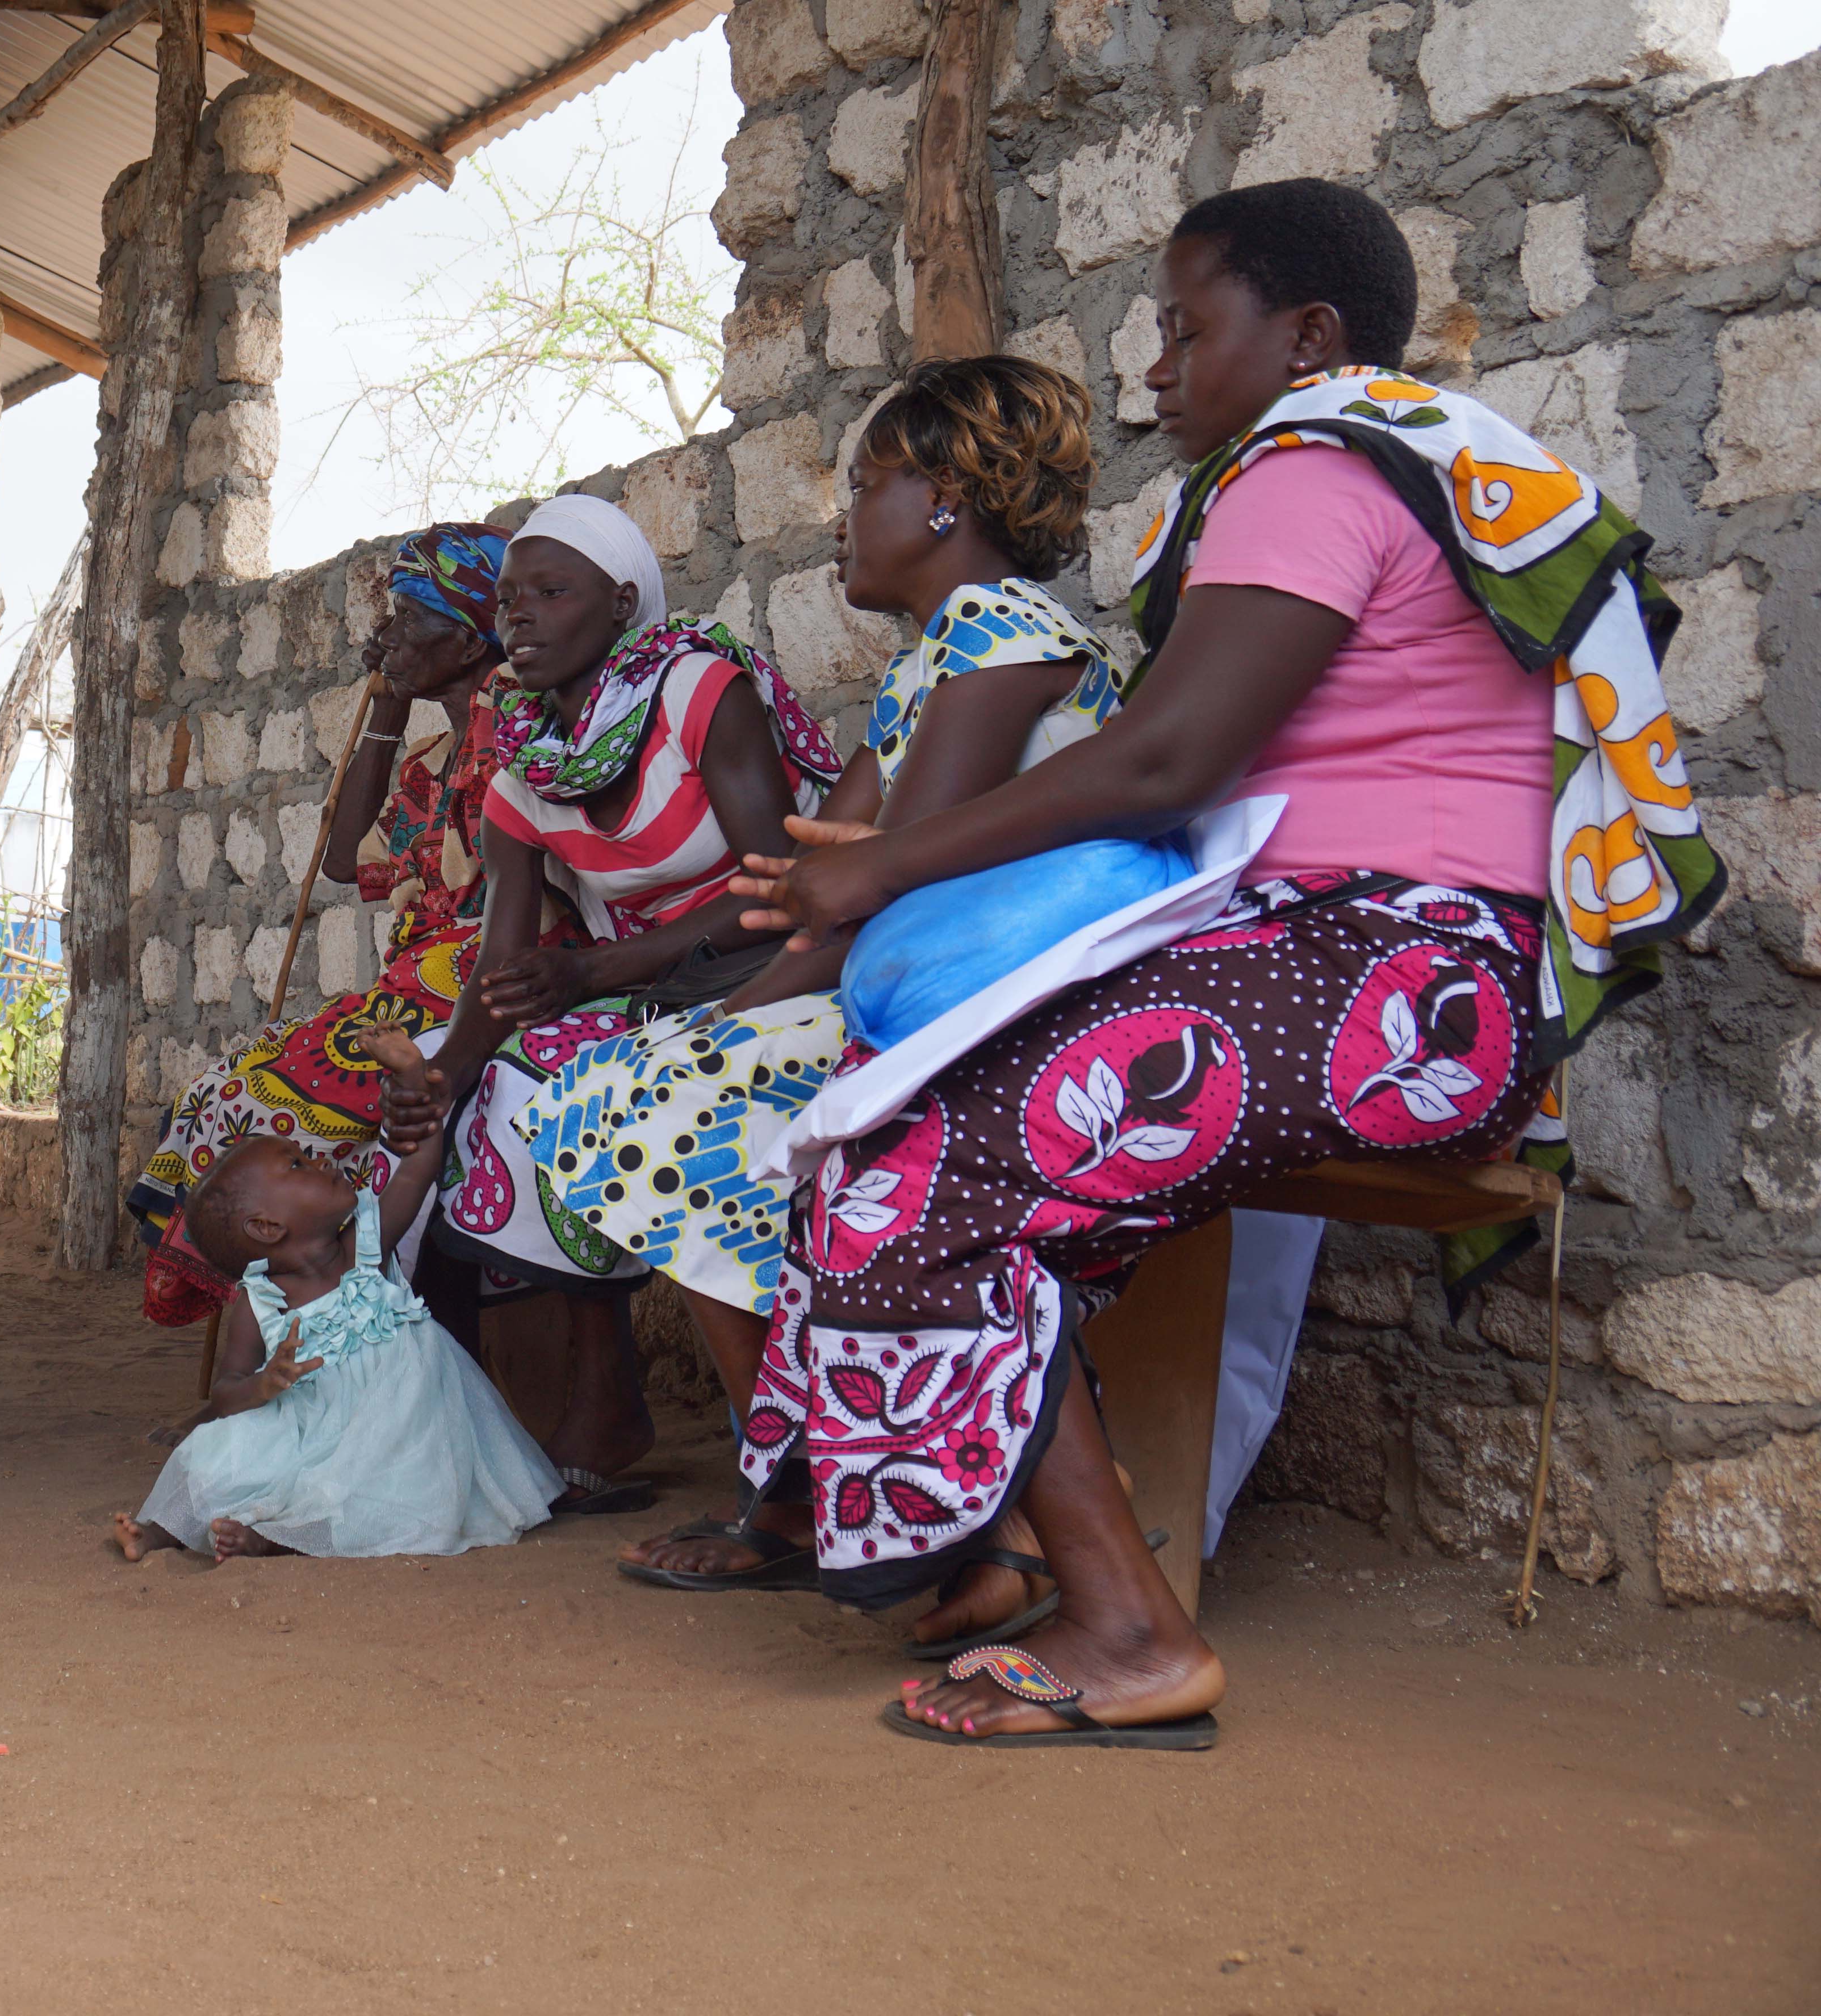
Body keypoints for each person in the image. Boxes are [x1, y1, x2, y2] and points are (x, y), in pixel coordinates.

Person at [719, 179, 1717, 1746]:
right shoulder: (1376, 464)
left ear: (1306, 336)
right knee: (906, 1141)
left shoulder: (1313, 464)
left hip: (1402, 976)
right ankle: (1037, 1551)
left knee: (918, 1162)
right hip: (1389, 975)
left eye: (1187, 330)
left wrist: (897, 863)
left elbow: (1164, 761)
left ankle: (1122, 1630)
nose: (1157, 373)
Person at [527, 361, 1119, 1633]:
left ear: (948, 499)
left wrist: (777, 963)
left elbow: (887, 874)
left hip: (1015, 1007)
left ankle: (884, 1501)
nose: (844, 516)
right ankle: (797, 1481)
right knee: (632, 1089)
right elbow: (816, 881)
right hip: (928, 989)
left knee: (667, 1103)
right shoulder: (927, 667)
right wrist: (729, 1011)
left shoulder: (1007, 635)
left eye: (867, 485)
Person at [409, 492, 840, 1512]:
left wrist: (595, 974)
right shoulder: (525, 767)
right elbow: (507, 963)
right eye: (509, 601)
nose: (520, 619)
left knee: (574, 1087)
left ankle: (675, 1429)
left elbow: (779, 891)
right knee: (480, 1098)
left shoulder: (697, 690)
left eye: (552, 594)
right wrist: (438, 1076)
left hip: (781, 966)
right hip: (654, 991)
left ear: (620, 606)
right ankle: (563, 1401)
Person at [124, 525, 572, 1326]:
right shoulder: (427, 765)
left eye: (407, 615)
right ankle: (289, 1343)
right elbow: (342, 861)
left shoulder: (521, 725)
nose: (385, 634)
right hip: (414, 984)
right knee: (214, 1105)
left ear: (472, 640)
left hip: (493, 973)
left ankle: (318, 1336)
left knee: (254, 1111)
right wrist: (389, 710)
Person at [116, 1034, 559, 1564]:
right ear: (267, 1226)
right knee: (214, 1456)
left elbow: (419, 1165)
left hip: (397, 1432)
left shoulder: (368, 1245)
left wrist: (414, 1074)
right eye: (299, 1166)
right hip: (302, 1434)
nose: (321, 1161)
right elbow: (227, 1391)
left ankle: (276, 1539)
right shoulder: (261, 1302)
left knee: (387, 1491)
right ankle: (158, 1531)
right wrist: (265, 1383)